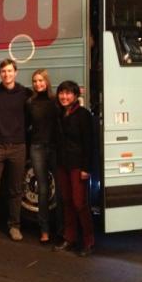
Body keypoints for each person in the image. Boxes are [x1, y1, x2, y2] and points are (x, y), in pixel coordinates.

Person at [0, 58, 32, 241]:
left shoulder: (25, 93)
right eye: (3, 71)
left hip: (18, 147)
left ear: (15, 72)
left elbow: (35, 111)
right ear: (0, 74)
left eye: (10, 71)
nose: (7, 74)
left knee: (15, 190)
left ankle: (14, 226)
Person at [52, 80, 95, 257]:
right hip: (63, 164)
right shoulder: (60, 113)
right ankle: (70, 238)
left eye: (68, 93)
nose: (64, 96)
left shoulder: (83, 114)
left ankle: (88, 241)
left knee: (79, 203)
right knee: (67, 202)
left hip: (78, 165)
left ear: (76, 95)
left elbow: (89, 142)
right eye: (61, 93)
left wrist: (87, 168)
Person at [26, 69, 60, 244]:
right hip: (37, 148)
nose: (38, 84)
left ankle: (61, 230)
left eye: (40, 80)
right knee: (43, 190)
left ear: (46, 81)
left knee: (60, 190)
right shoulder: (30, 102)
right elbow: (26, 125)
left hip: (55, 148)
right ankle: (44, 230)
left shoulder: (56, 101)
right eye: (35, 81)